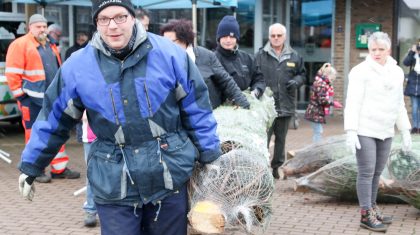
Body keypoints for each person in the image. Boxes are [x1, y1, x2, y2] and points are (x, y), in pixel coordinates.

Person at [17, 1, 221, 234]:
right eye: (104, 19)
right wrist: (32, 164)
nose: (112, 26)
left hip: (168, 174)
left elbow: (197, 108)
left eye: (120, 17)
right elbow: (54, 117)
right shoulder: (78, 66)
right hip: (113, 180)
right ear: (96, 23)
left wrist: (210, 155)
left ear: (133, 17)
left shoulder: (170, 54)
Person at [344, 31, 412, 232]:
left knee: (376, 173)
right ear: (369, 49)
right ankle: (365, 214)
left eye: (381, 49)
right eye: (373, 49)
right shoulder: (359, 72)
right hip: (365, 128)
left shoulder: (397, 72)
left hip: (386, 130)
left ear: (388, 50)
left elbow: (399, 103)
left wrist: (405, 130)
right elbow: (353, 102)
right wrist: (351, 130)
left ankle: (373, 207)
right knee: (366, 172)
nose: (377, 53)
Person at [5, 14, 80, 183]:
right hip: (31, 99)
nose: (42, 30)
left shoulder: (50, 45)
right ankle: (35, 170)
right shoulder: (20, 44)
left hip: (51, 98)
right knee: (33, 135)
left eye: (44, 26)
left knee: (56, 130)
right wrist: (21, 96)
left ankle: (59, 168)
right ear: (29, 28)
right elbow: (12, 73)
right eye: (38, 26)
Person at [160, 19, 250, 109]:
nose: (167, 46)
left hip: (208, 112)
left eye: (171, 42)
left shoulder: (206, 56)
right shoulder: (162, 61)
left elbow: (226, 82)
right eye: (164, 42)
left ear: (184, 39)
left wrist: (244, 106)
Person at [255, 23, 306, 179]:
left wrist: (297, 81)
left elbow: (302, 75)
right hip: (265, 106)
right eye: (273, 35)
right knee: (263, 139)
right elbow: (253, 76)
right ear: (269, 36)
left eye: (279, 35)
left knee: (281, 140)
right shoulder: (260, 55)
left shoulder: (294, 56)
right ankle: (262, 167)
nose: (276, 38)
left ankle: (276, 167)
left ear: (284, 37)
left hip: (285, 104)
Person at [214, 15, 265, 99]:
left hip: (246, 106)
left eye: (231, 36)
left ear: (237, 39)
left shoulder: (247, 58)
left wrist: (257, 91)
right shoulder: (212, 59)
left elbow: (259, 79)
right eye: (224, 36)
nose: (228, 40)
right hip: (222, 108)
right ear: (219, 38)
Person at [304, 63, 342, 143]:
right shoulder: (321, 84)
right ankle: (316, 148)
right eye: (332, 79)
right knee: (318, 132)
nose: (332, 81)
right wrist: (333, 103)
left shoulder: (321, 82)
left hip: (315, 111)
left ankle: (316, 148)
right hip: (315, 112)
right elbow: (322, 99)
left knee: (318, 131)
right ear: (328, 75)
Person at [403, 38, 420, 134]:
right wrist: (412, 52)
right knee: (414, 107)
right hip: (413, 84)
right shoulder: (412, 55)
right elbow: (405, 63)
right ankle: (414, 127)